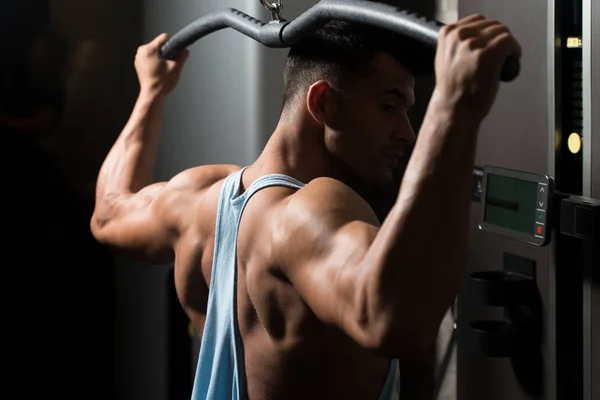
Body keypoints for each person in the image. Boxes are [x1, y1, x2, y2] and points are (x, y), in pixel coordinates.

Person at [91, 10, 521, 400]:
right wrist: (452, 108)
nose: (407, 133)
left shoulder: (197, 197)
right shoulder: (310, 211)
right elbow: (388, 319)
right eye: (388, 107)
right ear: (322, 103)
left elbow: (109, 213)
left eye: (410, 112)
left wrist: (152, 92)